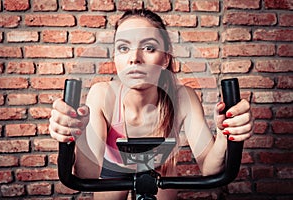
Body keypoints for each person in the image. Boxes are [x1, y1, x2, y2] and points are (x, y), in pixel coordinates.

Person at [49, 9, 253, 200]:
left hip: (161, 176)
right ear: (115, 57)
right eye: (123, 48)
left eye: (148, 48)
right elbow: (88, 175)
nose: (134, 59)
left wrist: (226, 133)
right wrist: (75, 134)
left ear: (164, 59)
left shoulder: (183, 97)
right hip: (113, 175)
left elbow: (210, 169)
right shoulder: (102, 95)